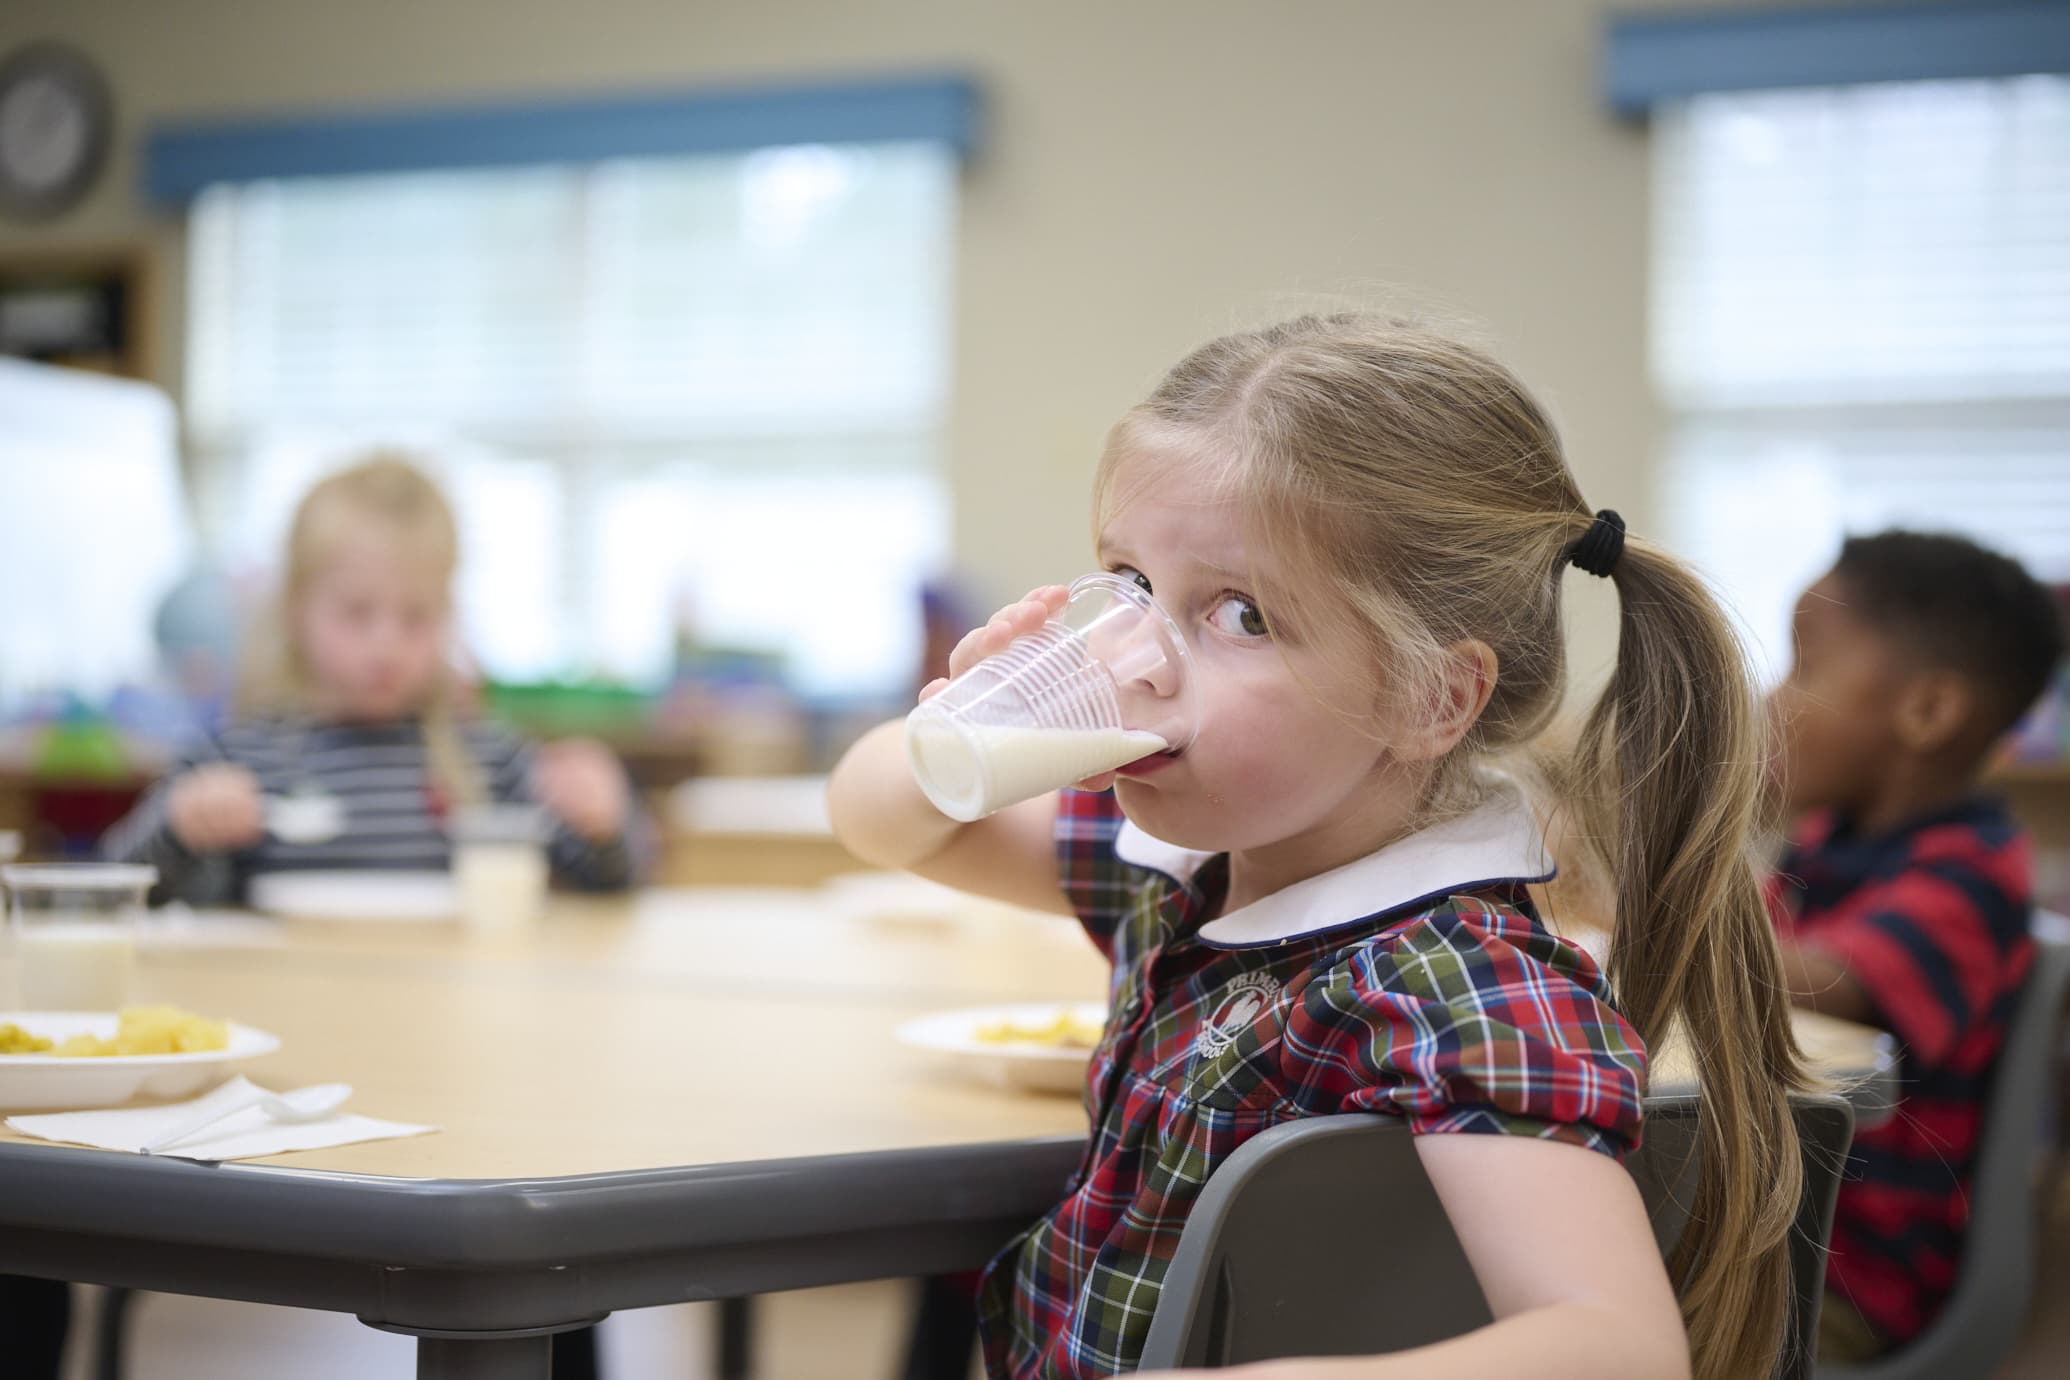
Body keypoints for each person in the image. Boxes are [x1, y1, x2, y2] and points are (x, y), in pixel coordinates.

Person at [830, 314, 1810, 1380]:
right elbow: (878, 821)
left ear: (1432, 696)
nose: (1138, 661)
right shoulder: (1190, 872)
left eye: (1241, 616)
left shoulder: (1459, 988)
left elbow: (1616, 1348)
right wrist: (967, 729)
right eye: (1133, 584)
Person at [1764, 530, 2063, 1362]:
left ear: (1927, 711)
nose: (1774, 699)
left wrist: (1659, 886)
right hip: (1775, 1222)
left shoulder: (1974, 877)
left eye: (1804, 667)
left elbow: (1816, 980)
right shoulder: (1823, 839)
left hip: (1850, 1275)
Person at [102, 455, 637, 902]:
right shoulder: (238, 756)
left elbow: (614, 883)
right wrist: (177, 828)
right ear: (295, 610)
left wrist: (603, 820)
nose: (386, 645)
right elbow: (111, 891)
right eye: (357, 613)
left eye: (416, 617)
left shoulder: (488, 760)